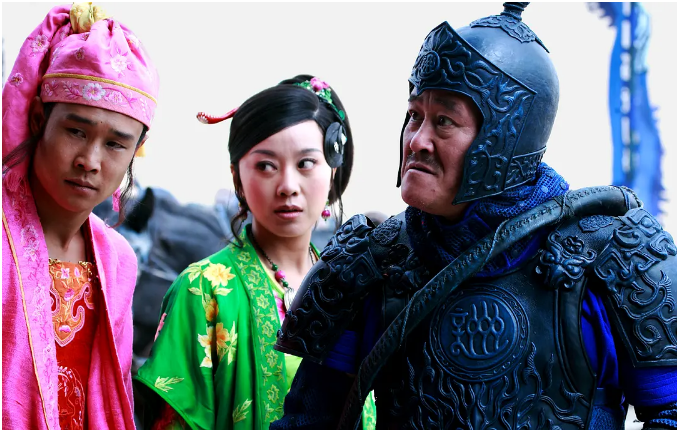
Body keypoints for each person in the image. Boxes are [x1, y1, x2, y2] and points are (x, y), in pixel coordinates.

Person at [272, 3, 677, 430]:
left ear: (506, 137)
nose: (417, 140)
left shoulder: (617, 255)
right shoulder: (372, 259)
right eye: (415, 115)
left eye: (444, 121)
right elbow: (309, 421)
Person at [134, 75, 376, 429]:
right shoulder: (202, 290)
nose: (288, 186)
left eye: (306, 163)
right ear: (237, 178)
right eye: (266, 166)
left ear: (333, 171)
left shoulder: (355, 288)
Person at [2, 2, 159, 429]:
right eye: (76, 131)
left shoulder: (119, 261)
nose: (89, 161)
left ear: (136, 151)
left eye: (115, 144)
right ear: (40, 119)